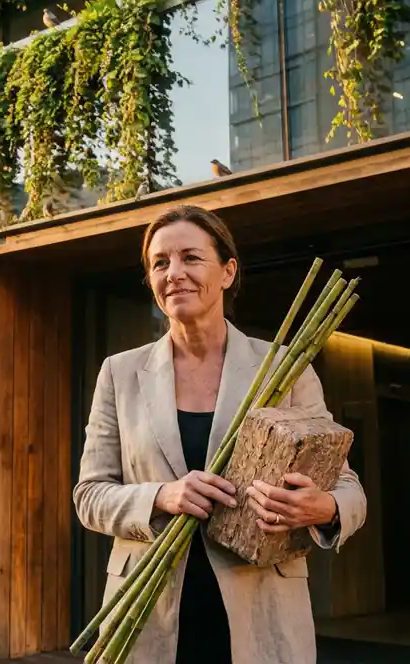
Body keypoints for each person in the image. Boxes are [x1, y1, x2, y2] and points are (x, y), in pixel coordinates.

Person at [73, 204, 367, 664]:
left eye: (191, 257)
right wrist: (161, 496)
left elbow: (348, 489)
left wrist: (322, 508)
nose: (174, 273)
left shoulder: (286, 366)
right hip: (149, 619)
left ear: (228, 271)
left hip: (261, 612)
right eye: (160, 262)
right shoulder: (120, 373)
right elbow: (89, 495)